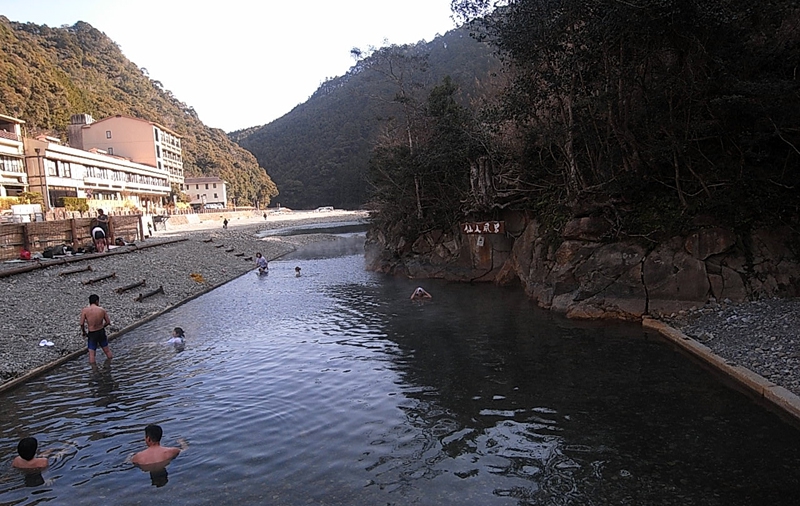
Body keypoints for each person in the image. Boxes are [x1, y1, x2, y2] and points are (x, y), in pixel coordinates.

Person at [79, 294, 113, 364]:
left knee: (92, 354)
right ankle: (110, 365)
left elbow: (81, 323)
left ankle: (94, 371)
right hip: (101, 331)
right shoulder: (102, 310)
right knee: (107, 351)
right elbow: (108, 322)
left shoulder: (85, 310)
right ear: (97, 301)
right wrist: (102, 326)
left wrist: (84, 332)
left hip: (92, 333)